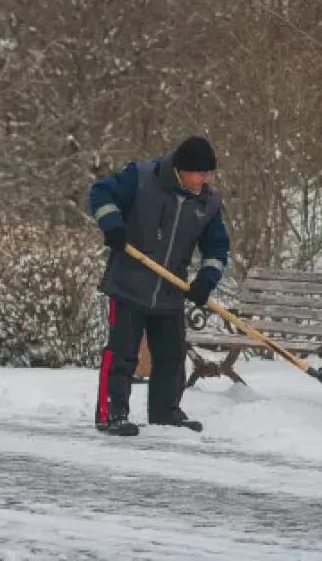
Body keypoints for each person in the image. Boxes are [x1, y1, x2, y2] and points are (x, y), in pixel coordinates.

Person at [88, 136, 229, 436]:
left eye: (209, 174)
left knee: (171, 356)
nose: (206, 180)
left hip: (169, 290)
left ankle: (166, 412)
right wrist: (112, 225)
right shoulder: (141, 178)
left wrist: (206, 279)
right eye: (201, 173)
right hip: (128, 283)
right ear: (182, 169)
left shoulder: (208, 203)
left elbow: (216, 247)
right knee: (122, 353)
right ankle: (111, 413)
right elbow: (100, 193)